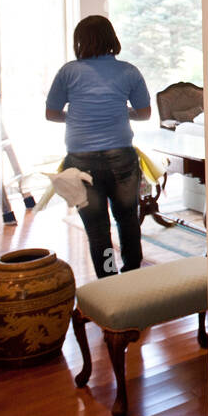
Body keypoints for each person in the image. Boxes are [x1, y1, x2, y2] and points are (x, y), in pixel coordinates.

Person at [45, 15, 151, 278]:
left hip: (81, 162)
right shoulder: (128, 71)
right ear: (112, 39)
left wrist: (75, 116)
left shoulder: (68, 71)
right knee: (128, 220)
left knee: (97, 229)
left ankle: (108, 281)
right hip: (122, 158)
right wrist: (126, 112)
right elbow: (145, 112)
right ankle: (133, 275)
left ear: (80, 41)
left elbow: (52, 113)